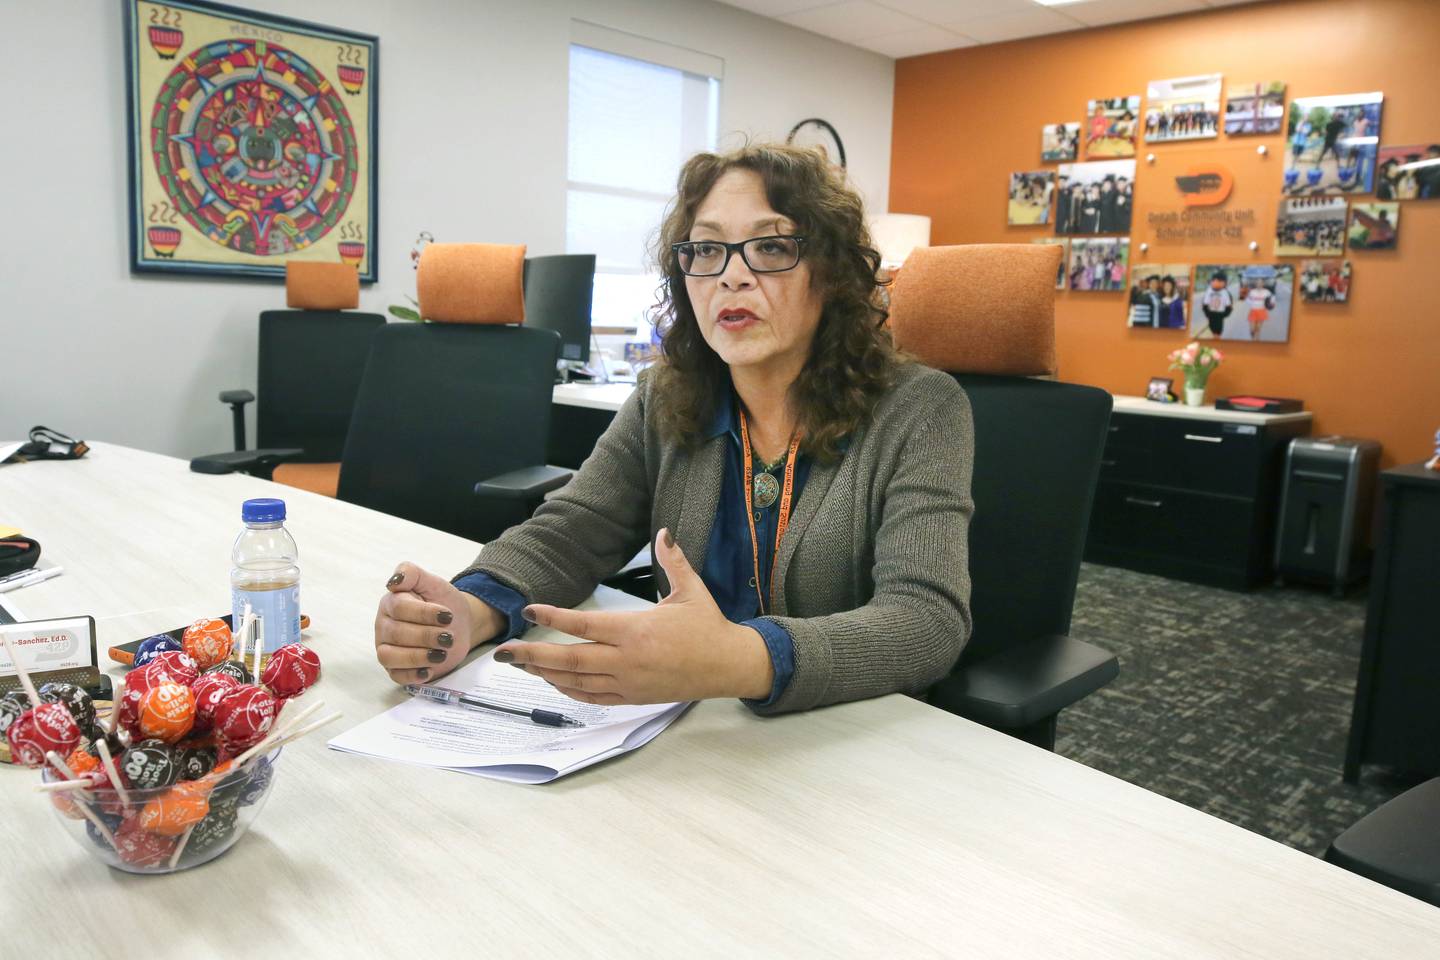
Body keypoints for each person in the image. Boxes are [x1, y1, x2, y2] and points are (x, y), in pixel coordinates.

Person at [373, 143, 974, 714]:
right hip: (685, 727)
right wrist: (473, 609)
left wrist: (739, 660)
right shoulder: (667, 395)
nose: (731, 277)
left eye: (769, 247)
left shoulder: (919, 409)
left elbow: (925, 620)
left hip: (846, 741)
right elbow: (575, 530)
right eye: (706, 250)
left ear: (832, 273)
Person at [1200, 271, 1233, 338]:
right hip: (1211, 313)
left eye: (1219, 281)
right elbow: (1205, 303)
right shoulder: (1209, 291)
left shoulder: (1225, 292)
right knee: (1211, 327)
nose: (1216, 282)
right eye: (1214, 280)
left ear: (1224, 283)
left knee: (1218, 330)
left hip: (1219, 314)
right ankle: (1216, 337)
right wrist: (1207, 313)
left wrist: (1225, 314)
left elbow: (1229, 305)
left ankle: (1217, 339)